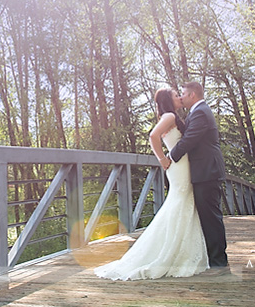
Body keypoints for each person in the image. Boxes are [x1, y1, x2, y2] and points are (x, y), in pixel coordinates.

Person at [94, 87, 209, 280]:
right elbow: (153, 136)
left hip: (182, 167)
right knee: (180, 203)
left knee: (182, 203)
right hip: (178, 167)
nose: (179, 97)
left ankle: (180, 249)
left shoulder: (172, 116)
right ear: (168, 100)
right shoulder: (169, 116)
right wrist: (162, 159)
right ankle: (168, 251)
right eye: (175, 95)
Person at [160, 81, 228, 272]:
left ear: (192, 96)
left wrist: (170, 157)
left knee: (211, 217)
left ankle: (219, 263)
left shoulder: (200, 112)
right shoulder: (197, 112)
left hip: (207, 171)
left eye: (182, 94)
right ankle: (213, 259)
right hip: (203, 171)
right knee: (206, 216)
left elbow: (189, 140)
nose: (180, 97)